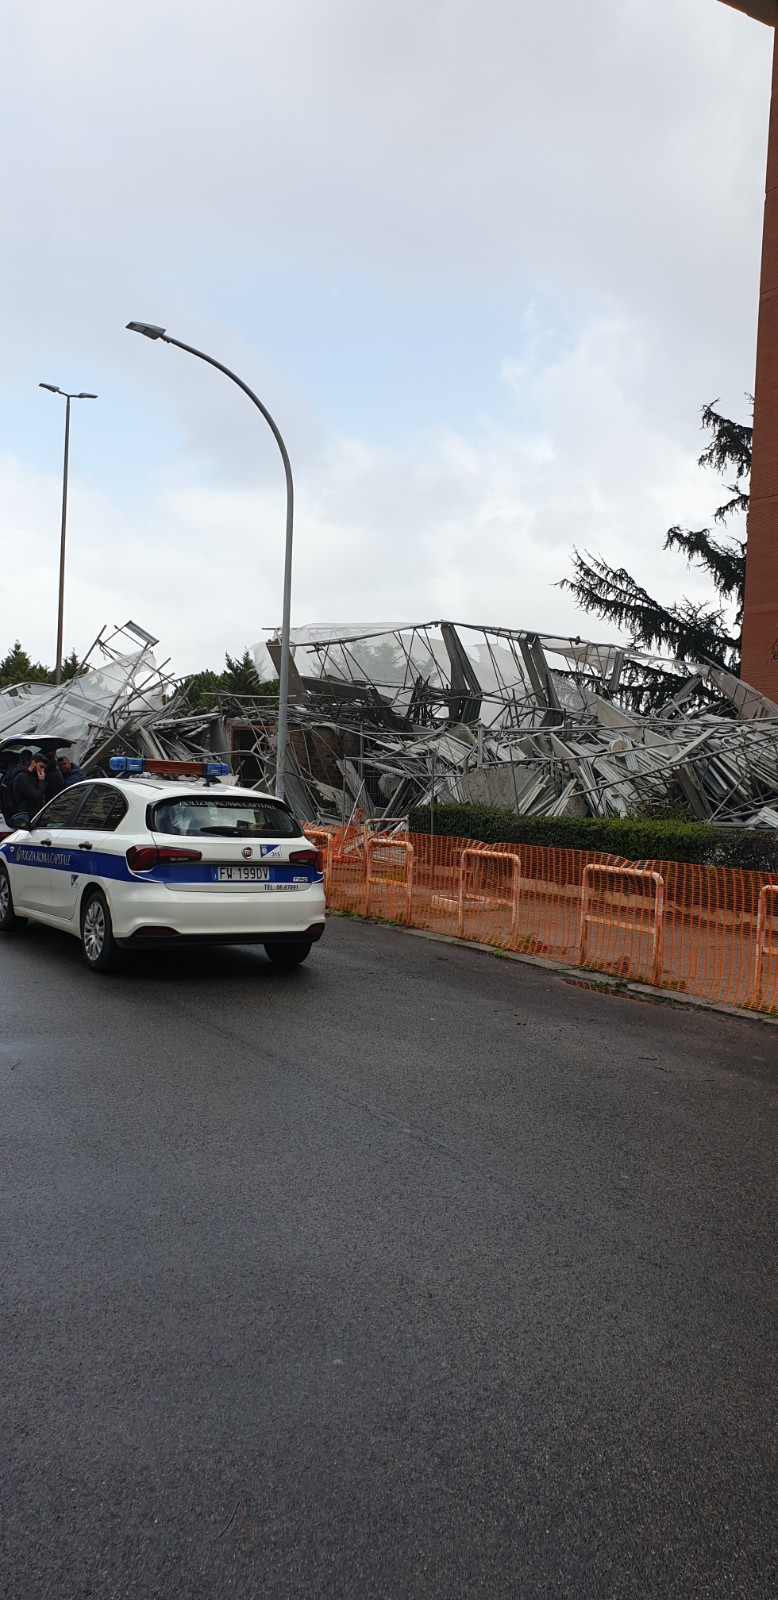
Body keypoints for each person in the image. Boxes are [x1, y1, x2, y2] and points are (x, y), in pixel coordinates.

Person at [6, 751, 46, 827]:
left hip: (31, 817)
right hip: (23, 817)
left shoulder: (32, 776)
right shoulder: (22, 777)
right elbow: (35, 796)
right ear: (33, 763)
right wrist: (42, 782)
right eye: (41, 766)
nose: (42, 770)